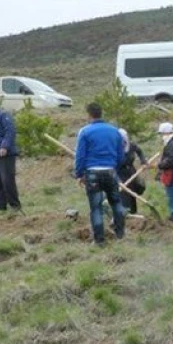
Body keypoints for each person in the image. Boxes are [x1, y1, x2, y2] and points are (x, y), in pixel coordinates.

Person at [73, 103, 126, 246]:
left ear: (89, 115)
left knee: (96, 207)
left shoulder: (85, 132)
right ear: (101, 113)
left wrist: (79, 173)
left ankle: (100, 240)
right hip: (110, 171)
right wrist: (115, 167)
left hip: (93, 173)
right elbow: (121, 155)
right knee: (116, 202)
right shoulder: (115, 131)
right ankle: (120, 233)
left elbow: (80, 156)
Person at [157, 122, 173, 223]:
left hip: (172, 174)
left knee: (171, 195)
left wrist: (161, 164)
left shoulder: (172, 144)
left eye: (161, 134)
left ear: (166, 133)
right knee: (171, 195)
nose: (161, 136)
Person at [117, 129, 147, 214]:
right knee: (123, 193)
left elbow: (140, 152)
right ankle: (125, 212)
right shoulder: (114, 146)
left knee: (132, 192)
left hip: (131, 171)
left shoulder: (131, 145)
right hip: (120, 172)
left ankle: (133, 212)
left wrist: (143, 161)